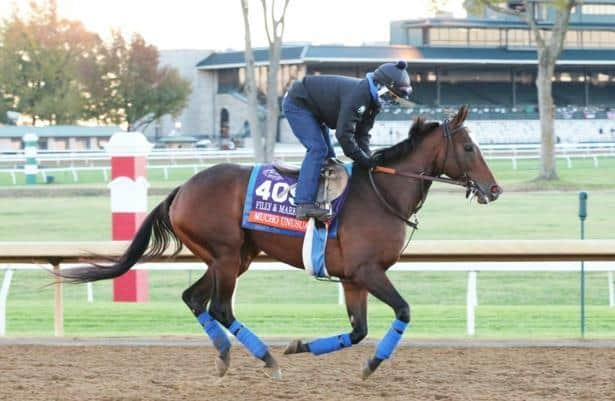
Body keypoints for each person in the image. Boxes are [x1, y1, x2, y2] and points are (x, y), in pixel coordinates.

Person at [282, 60, 413, 220]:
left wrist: (369, 160)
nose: (392, 101)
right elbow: (344, 135)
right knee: (318, 150)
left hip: (315, 110)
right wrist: (363, 160)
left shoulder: (373, 103)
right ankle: (303, 205)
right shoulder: (359, 96)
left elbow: (362, 135)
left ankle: (322, 199)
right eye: (392, 95)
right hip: (299, 103)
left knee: (328, 157)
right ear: (382, 86)